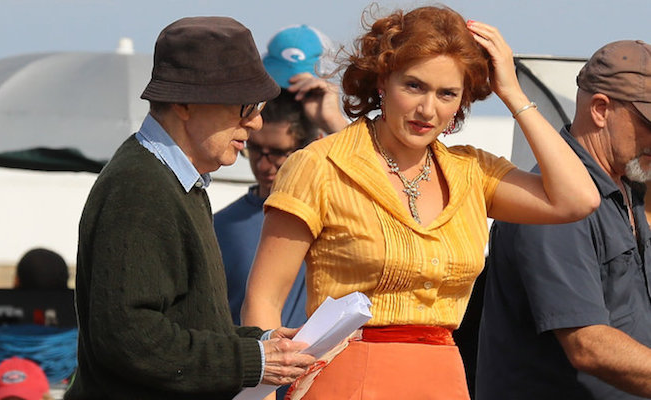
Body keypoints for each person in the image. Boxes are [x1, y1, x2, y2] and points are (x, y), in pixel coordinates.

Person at [241, 5, 600, 399]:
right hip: (346, 380)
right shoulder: (320, 164)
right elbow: (263, 300)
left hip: (444, 380)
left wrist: (513, 93)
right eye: (414, 86)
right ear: (383, 79)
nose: (428, 110)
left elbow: (578, 199)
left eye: (447, 94)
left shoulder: (472, 172)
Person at [63, 16, 315, 400]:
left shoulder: (170, 181)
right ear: (184, 103)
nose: (255, 122)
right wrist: (253, 359)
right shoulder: (140, 187)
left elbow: (185, 326)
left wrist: (261, 342)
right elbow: (130, 338)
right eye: (245, 106)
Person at [477, 40, 651, 399]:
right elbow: (587, 344)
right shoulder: (550, 206)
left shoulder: (627, 193)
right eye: (649, 124)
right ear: (600, 110)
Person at [215, 24, 346, 329]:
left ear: (314, 145)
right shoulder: (219, 226)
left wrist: (335, 122)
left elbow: (387, 186)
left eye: (279, 153)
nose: (264, 165)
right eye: (255, 150)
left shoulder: (346, 210)